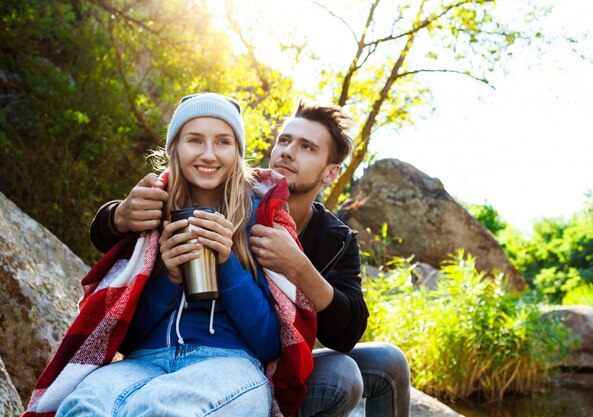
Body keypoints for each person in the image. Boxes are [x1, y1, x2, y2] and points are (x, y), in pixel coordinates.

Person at [90, 99, 412, 417]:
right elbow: (121, 229)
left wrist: (300, 268)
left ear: (331, 173)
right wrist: (118, 216)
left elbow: (346, 332)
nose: (287, 151)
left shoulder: (336, 240)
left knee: (383, 363)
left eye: (306, 147)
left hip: (263, 357)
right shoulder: (242, 196)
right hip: (176, 351)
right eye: (284, 140)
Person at [56, 93, 288, 416]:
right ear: (175, 148)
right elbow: (127, 338)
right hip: (145, 361)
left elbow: (269, 344)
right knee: (82, 407)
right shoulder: (152, 209)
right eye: (195, 140)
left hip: (228, 363)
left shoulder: (259, 218)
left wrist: (227, 262)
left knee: (163, 410)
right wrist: (171, 277)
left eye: (223, 142)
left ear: (237, 152)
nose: (209, 154)